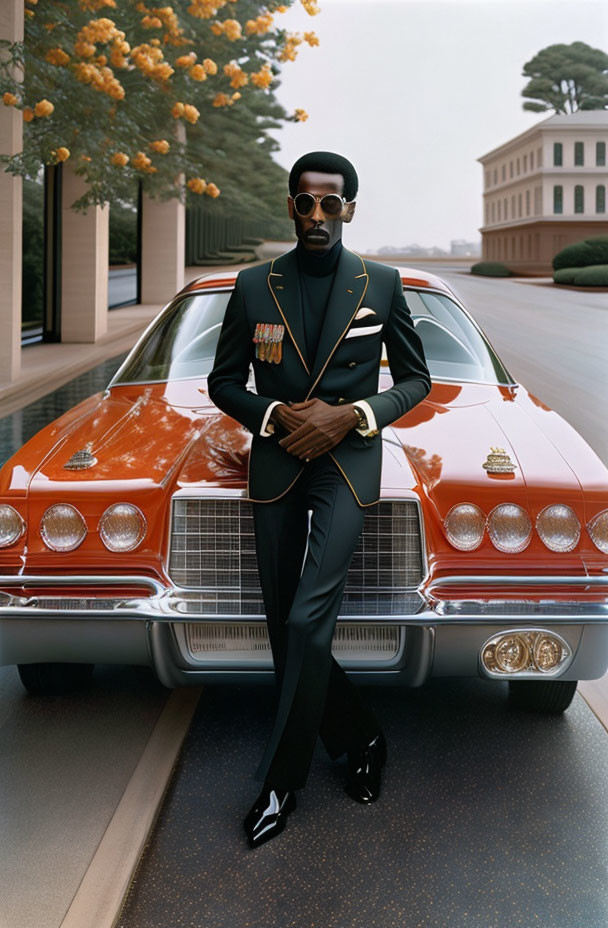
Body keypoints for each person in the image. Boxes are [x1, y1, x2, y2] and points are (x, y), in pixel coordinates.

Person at [207, 150, 431, 848]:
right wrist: (274, 418)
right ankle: (362, 738)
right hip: (278, 459)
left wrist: (354, 415)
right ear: (291, 206)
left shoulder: (383, 284)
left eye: (330, 203)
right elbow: (223, 382)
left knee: (308, 618)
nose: (317, 216)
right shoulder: (252, 287)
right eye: (305, 202)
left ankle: (281, 782)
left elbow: (417, 381)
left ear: (350, 210)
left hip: (347, 462)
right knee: (284, 626)